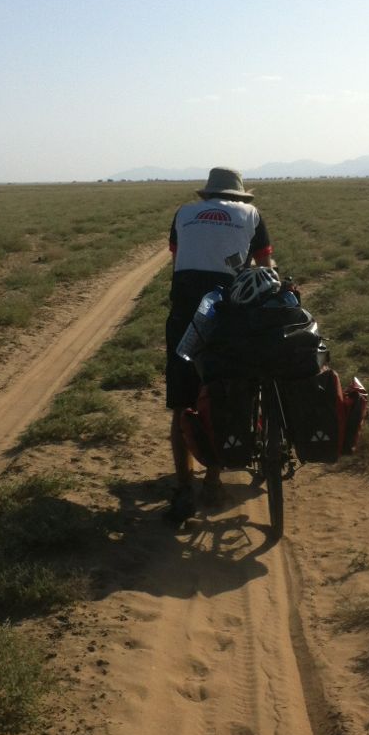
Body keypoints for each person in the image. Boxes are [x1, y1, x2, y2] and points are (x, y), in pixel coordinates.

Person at [165, 167, 275, 523]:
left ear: (207, 195)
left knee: (183, 401)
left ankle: (184, 488)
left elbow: (177, 258)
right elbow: (264, 267)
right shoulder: (251, 215)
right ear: (240, 196)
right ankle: (212, 481)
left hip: (186, 315)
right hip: (228, 316)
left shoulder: (183, 214)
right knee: (223, 391)